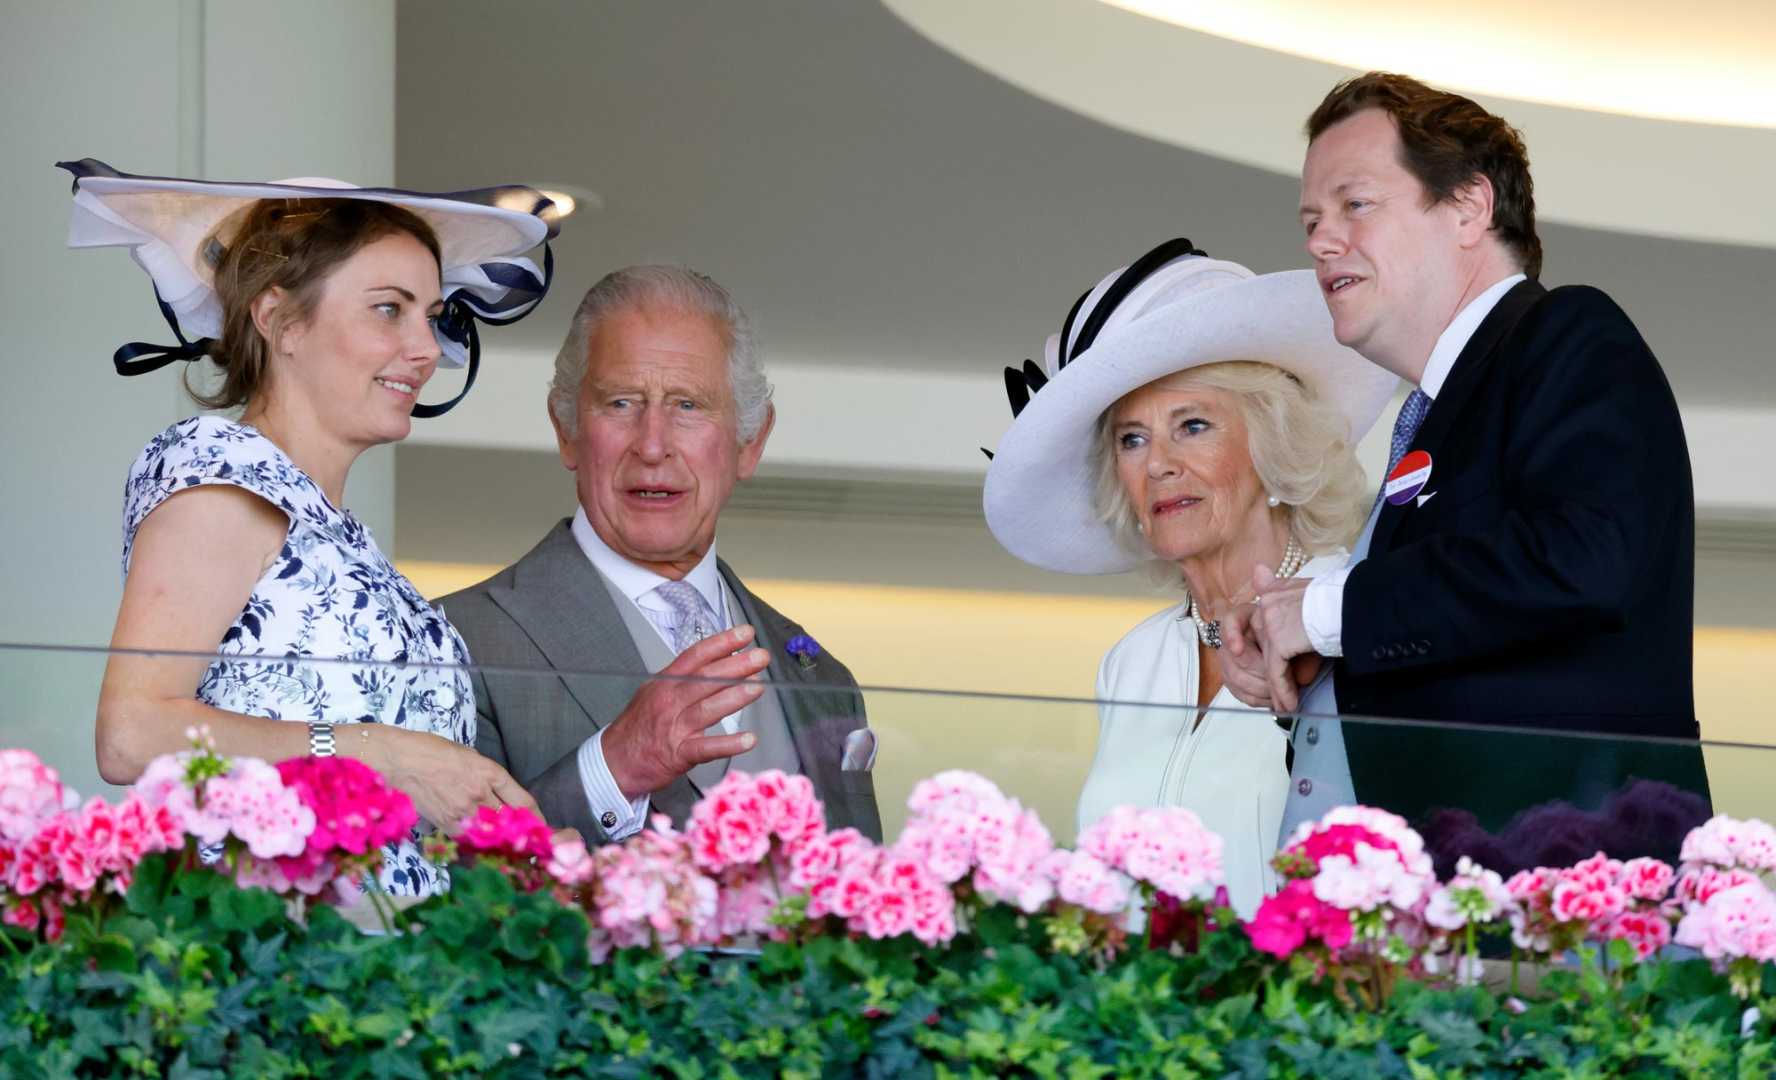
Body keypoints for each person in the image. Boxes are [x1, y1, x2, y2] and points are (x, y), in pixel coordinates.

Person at [1230, 74, 1711, 871]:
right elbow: (1464, 631)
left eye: (1355, 205)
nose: (1319, 242)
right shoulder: (1428, 417)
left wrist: (1328, 613)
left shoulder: (1569, 335)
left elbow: (1587, 557)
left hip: (1556, 909)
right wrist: (1323, 658)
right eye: (1311, 220)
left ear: (1468, 207)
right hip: (1440, 912)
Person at [78, 160, 561, 897]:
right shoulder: (221, 467)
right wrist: (382, 757)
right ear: (278, 321)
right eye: (388, 309)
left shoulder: (339, 534)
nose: (428, 348)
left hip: (373, 971)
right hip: (268, 964)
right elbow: (130, 733)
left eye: (431, 315)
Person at [982, 239, 1395, 914]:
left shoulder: (1351, 616)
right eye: (1132, 439)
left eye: (1193, 425)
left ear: (1270, 446)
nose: (1159, 464)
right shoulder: (1132, 662)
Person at [441, 266, 883, 844]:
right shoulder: (451, 640)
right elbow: (434, 889)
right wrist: (612, 769)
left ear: (751, 442)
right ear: (567, 430)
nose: (652, 445)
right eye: (620, 403)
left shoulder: (825, 677)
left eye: (688, 406)